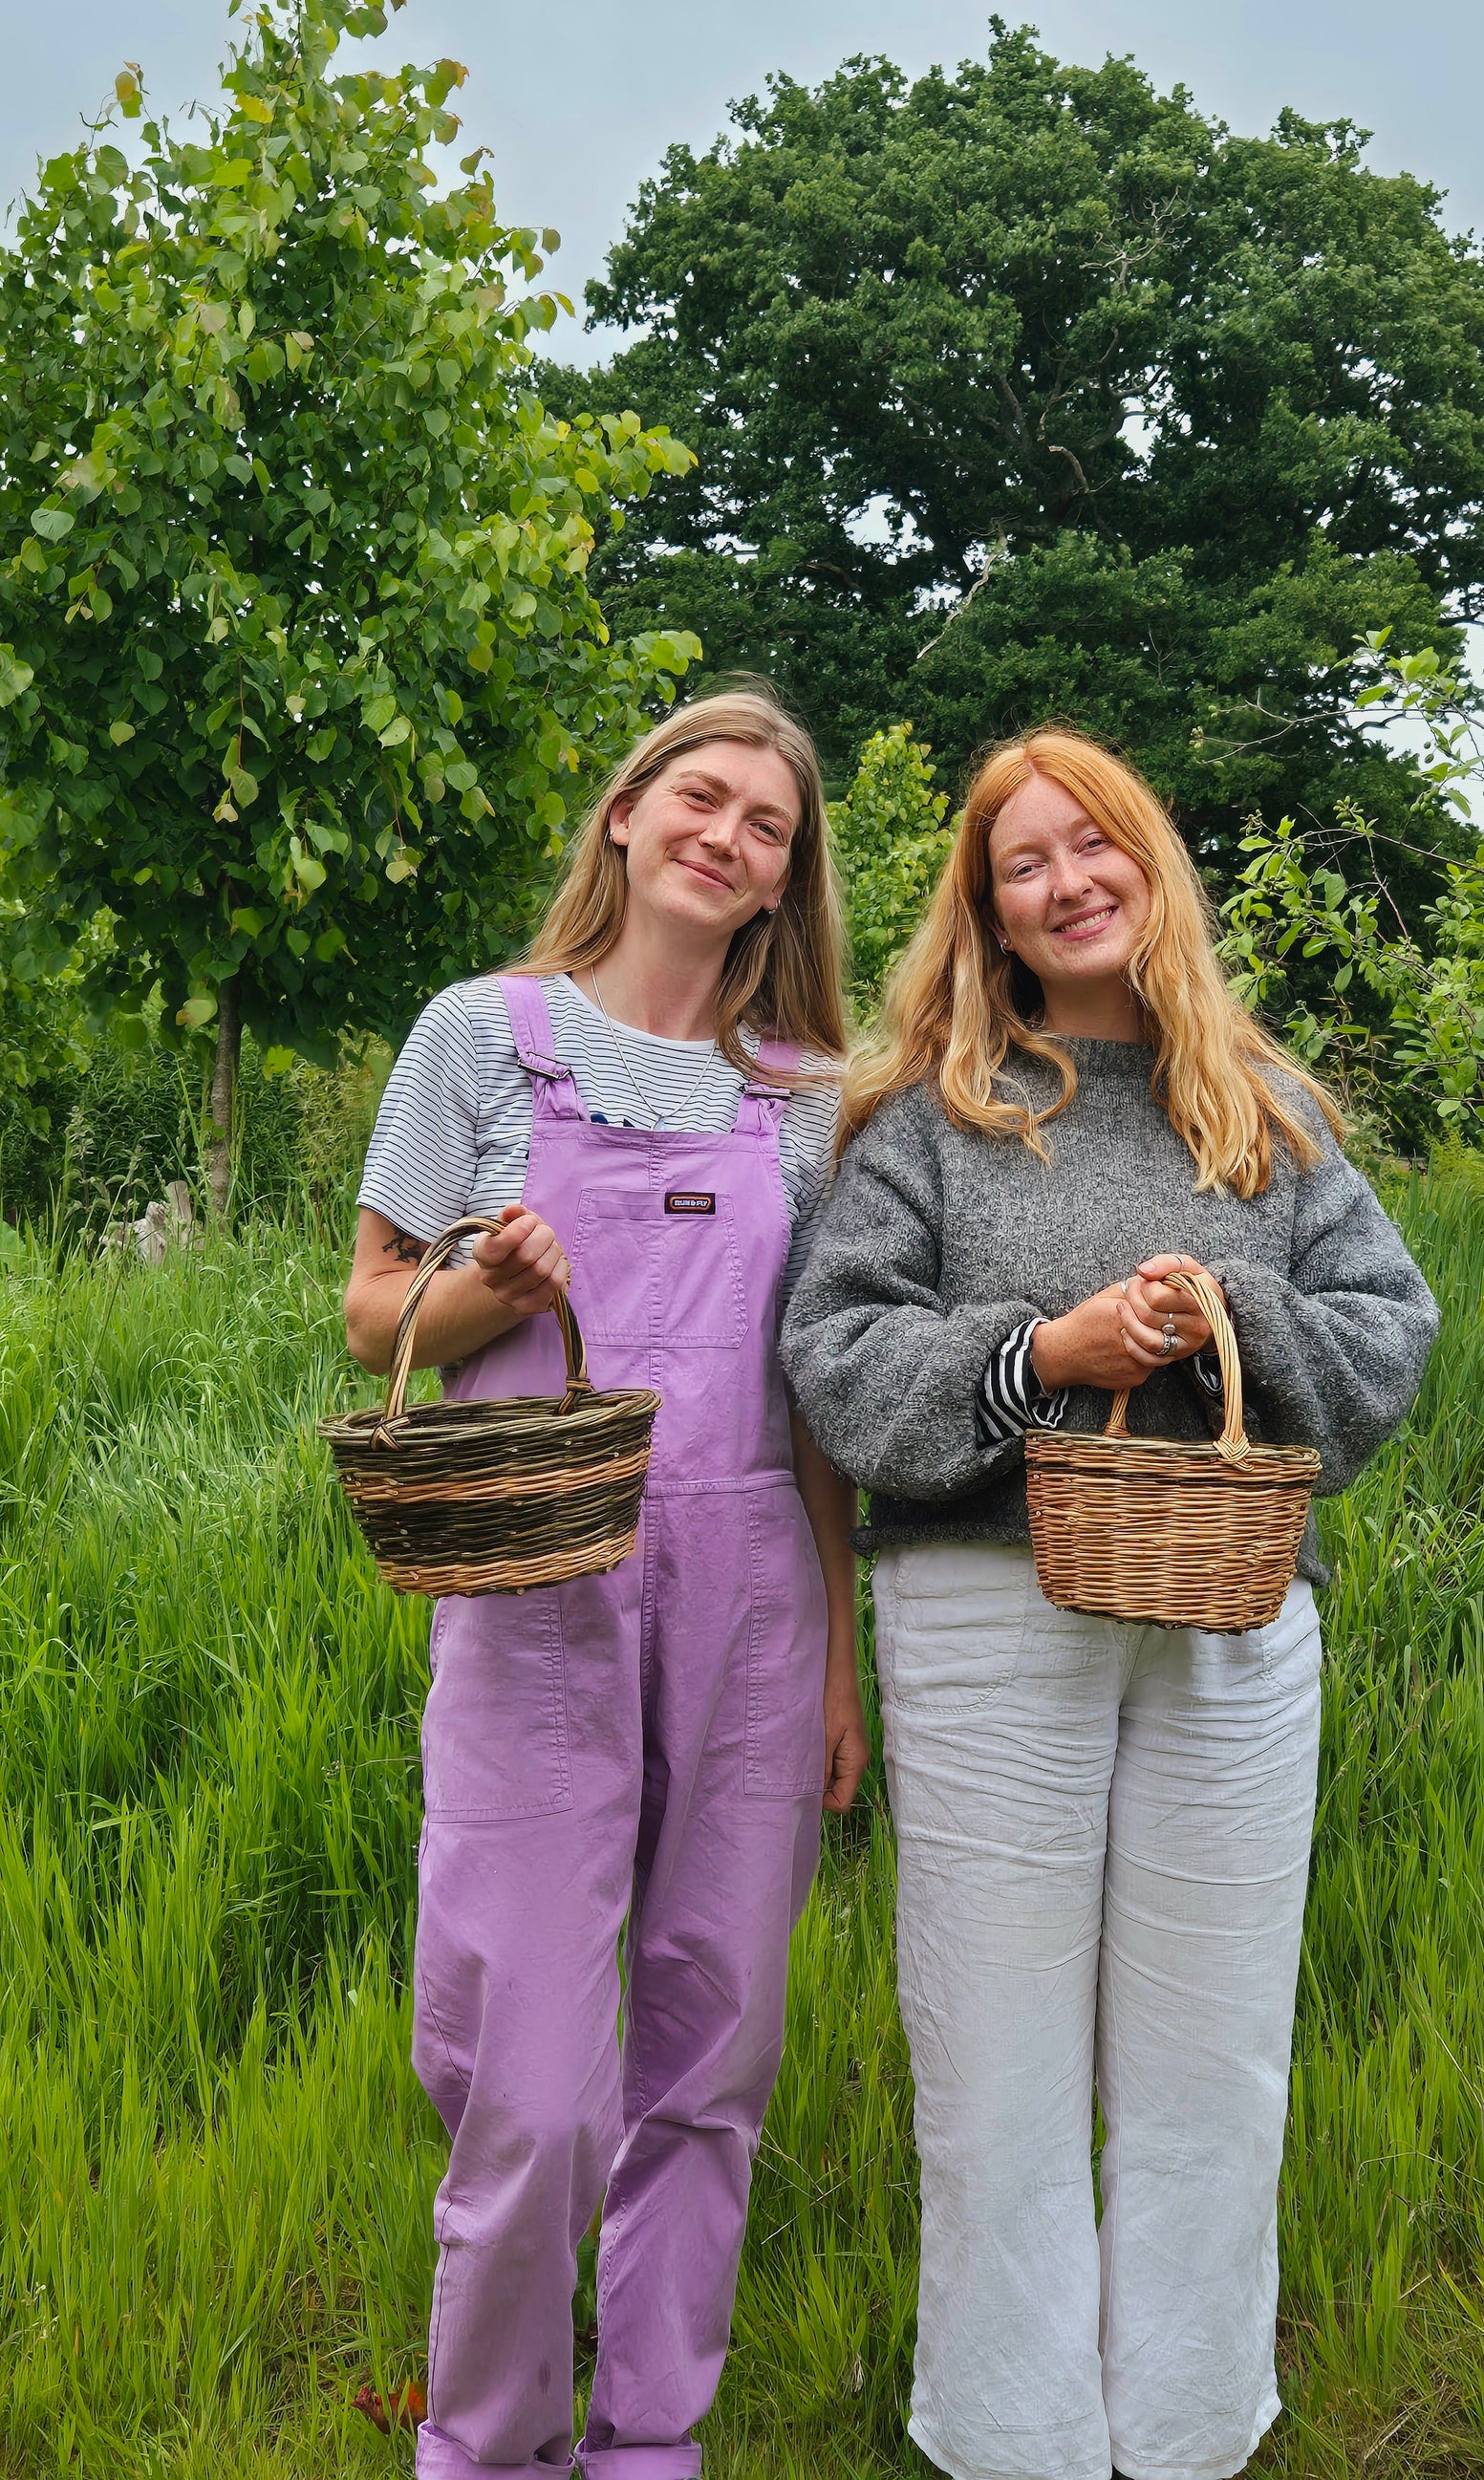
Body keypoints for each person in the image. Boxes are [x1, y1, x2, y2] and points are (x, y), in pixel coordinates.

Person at [782, 727, 1437, 2480]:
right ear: (987, 910)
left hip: (1234, 1630)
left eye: (1095, 846)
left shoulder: (1266, 1108)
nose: (1068, 883)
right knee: (994, 2067)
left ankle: (1187, 2429)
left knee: (1211, 2059)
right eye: (1026, 863)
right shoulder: (929, 1117)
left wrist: (1231, 1308)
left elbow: (1386, 1337)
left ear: (1149, 864)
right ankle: (1016, 2441)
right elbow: (834, 1357)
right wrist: (1042, 1355)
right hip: (984, 1620)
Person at [343, 685, 867, 2480]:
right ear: (628, 811)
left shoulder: (807, 1101)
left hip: (752, 1600)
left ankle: (652, 2439)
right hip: (536, 1594)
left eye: (767, 827)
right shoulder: (478, 1037)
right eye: (700, 797)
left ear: (785, 880)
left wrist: (838, 1662)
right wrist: (487, 1287)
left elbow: (817, 1404)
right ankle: (489, 2443)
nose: (727, 836)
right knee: (532, 2085)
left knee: (713, 2051)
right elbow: (373, 1317)